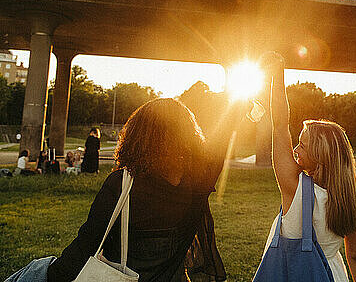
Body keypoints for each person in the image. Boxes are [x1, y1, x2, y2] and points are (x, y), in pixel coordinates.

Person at [41, 98, 228, 281]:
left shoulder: (120, 184)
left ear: (137, 137)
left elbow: (85, 247)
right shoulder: (196, 185)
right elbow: (218, 150)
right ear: (188, 137)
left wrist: (47, 275)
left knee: (38, 268)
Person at [257, 52, 356, 282]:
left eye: (302, 145)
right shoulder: (351, 197)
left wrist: (277, 74)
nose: (295, 150)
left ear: (320, 156)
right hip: (332, 275)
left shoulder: (294, 188)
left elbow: (279, 124)